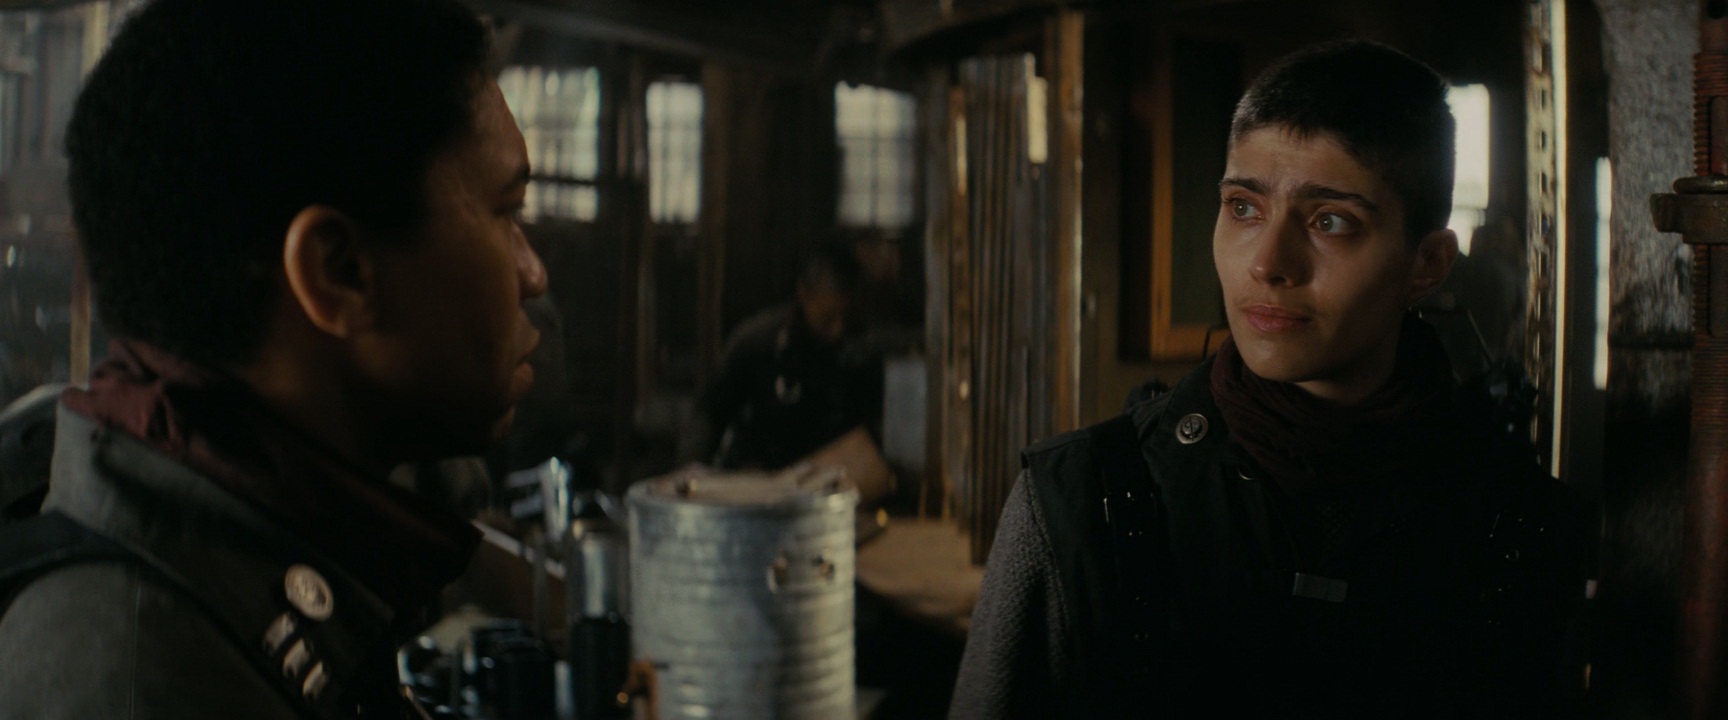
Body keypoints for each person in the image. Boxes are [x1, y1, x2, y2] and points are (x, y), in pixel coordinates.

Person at [950, 41, 1594, 718]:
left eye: (1330, 221)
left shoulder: (1520, 526)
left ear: (1426, 264)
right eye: (1243, 208)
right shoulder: (1084, 499)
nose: (1267, 262)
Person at [0, 1, 548, 717]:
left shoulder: (272, 553)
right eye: (507, 212)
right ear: (339, 272)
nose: (533, 274)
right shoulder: (135, 682)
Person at [689, 241, 880, 470]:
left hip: (832, 475)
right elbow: (710, 414)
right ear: (804, 294)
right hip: (763, 475)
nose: (837, 329)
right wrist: (690, 470)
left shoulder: (860, 348)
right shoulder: (758, 343)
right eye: (828, 318)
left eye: (844, 317)